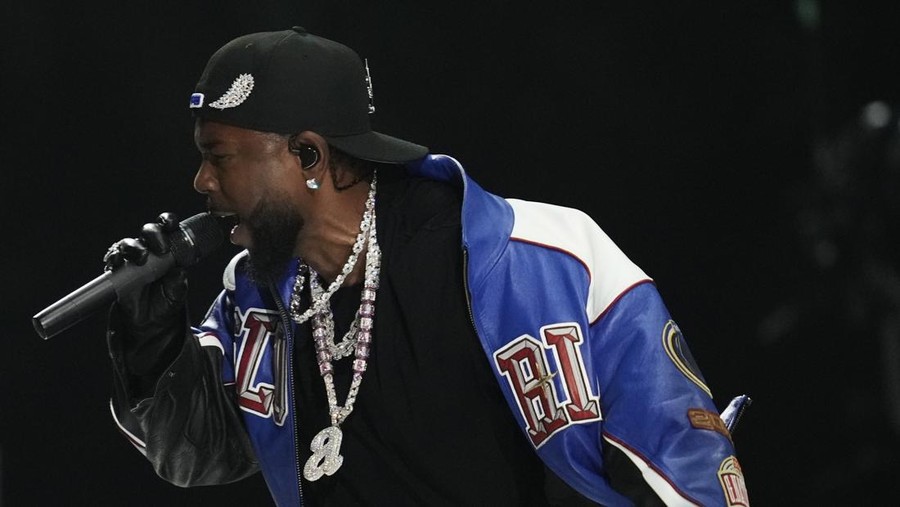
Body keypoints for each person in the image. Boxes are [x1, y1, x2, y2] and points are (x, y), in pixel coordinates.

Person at [103, 26, 749, 506]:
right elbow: (192, 449)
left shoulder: (537, 257)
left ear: (307, 156)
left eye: (220, 156)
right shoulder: (260, 299)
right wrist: (149, 333)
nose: (200, 181)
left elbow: (680, 460)